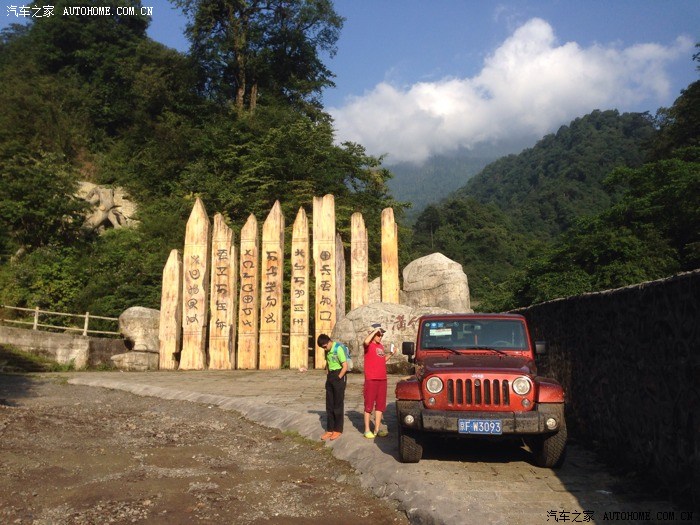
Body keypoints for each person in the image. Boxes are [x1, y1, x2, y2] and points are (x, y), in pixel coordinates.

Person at [362, 323, 395, 439]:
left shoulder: (380, 346)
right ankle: (366, 429)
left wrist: (390, 354)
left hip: (382, 379)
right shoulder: (368, 345)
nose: (380, 336)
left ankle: (377, 428)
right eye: (378, 334)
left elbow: (382, 360)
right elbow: (365, 342)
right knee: (368, 406)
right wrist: (374, 331)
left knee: (380, 406)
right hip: (371, 379)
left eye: (381, 335)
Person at [318, 333, 347, 441]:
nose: (324, 349)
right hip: (330, 376)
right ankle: (330, 429)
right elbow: (328, 364)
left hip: (339, 375)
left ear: (329, 341)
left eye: (325, 346)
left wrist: (338, 378)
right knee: (329, 404)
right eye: (322, 348)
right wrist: (328, 375)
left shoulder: (338, 348)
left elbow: (345, 366)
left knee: (338, 404)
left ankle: (338, 429)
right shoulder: (327, 350)